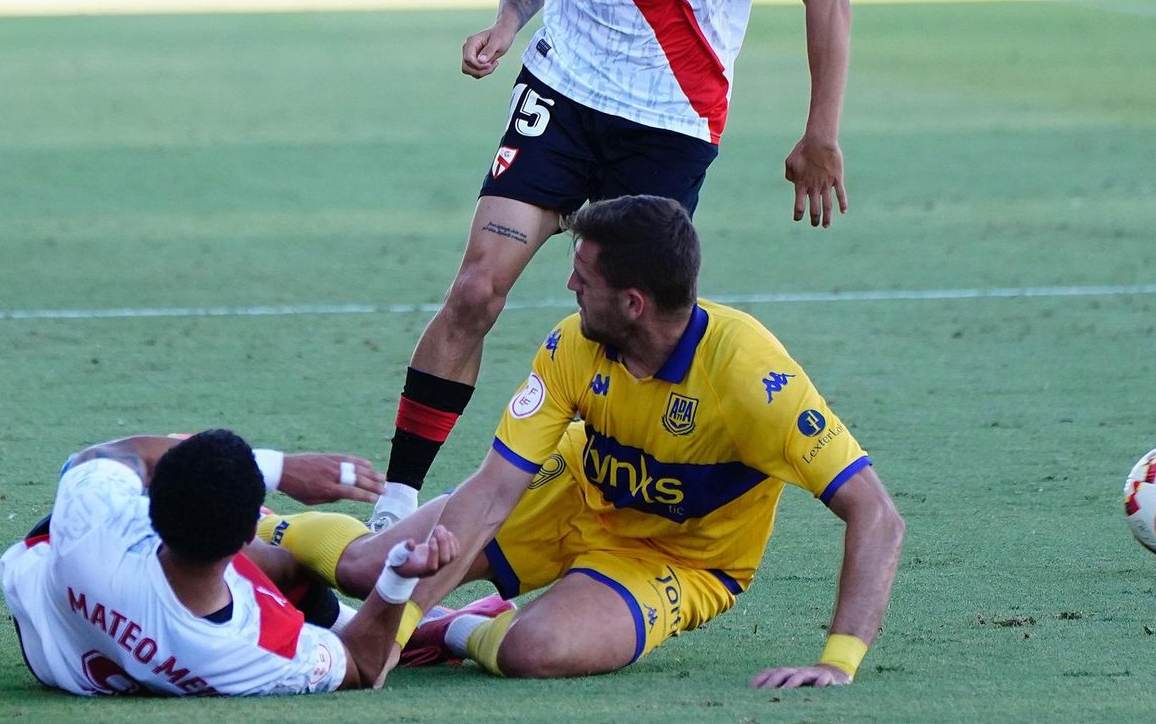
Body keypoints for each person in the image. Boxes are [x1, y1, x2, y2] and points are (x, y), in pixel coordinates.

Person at [372, 0, 854, 533]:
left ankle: (576, 509)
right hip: (564, 92)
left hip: (669, 124)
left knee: (627, 330)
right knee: (479, 287)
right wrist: (508, 24)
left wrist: (820, 134)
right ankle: (397, 498)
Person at [278, 196, 903, 687]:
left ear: (633, 303)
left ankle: (455, 633)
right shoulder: (570, 345)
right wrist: (392, 621)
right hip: (569, 493)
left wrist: (838, 662)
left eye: (583, 277)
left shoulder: (751, 379)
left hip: (678, 560)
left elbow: (876, 513)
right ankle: (261, 526)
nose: (571, 287)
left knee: (533, 650)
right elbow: (494, 489)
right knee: (367, 569)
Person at [0, 430, 460, 696]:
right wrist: (397, 579)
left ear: (151, 508)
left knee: (221, 500)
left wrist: (273, 468)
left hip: (50, 612)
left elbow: (106, 457)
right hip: (130, 625)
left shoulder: (93, 523)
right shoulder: (252, 645)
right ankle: (430, 630)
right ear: (243, 537)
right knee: (289, 564)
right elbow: (363, 665)